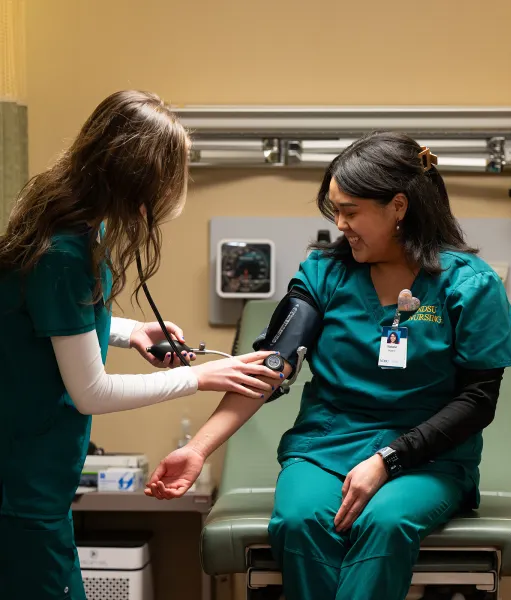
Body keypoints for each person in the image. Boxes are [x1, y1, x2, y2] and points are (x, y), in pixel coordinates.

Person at [145, 131, 511, 600]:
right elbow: (270, 367)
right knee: (301, 519)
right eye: (334, 210)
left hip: (428, 459)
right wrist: (198, 449)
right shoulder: (324, 274)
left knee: (386, 521)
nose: (339, 223)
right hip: (327, 448)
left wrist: (389, 460)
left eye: (351, 211)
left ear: (398, 207)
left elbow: (478, 401)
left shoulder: (470, 286)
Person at [0, 90, 283, 600]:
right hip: (21, 488)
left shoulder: (66, 224)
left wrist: (130, 333)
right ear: (142, 180)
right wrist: (197, 377)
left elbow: (46, 320)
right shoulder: (66, 251)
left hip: (33, 480)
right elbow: (92, 392)